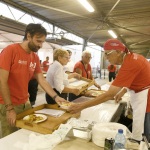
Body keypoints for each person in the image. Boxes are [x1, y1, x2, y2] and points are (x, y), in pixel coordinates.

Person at [69, 39, 150, 142]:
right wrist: (122, 91)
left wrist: (81, 106)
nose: (106, 58)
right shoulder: (130, 58)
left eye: (108, 54)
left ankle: (143, 143)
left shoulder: (130, 63)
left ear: (119, 52)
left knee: (145, 126)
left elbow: (109, 95)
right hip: (141, 90)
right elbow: (136, 78)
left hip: (145, 96)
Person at [0, 23, 66, 137]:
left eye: (42, 42)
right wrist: (9, 108)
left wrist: (56, 97)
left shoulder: (34, 57)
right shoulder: (10, 50)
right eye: (38, 41)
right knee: (10, 137)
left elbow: (42, 80)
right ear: (28, 36)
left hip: (25, 102)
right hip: (8, 103)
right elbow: (2, 81)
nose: (40, 45)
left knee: (27, 133)